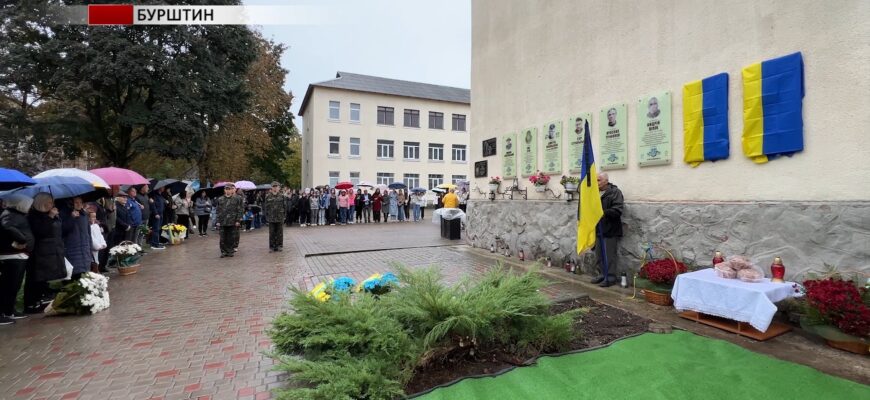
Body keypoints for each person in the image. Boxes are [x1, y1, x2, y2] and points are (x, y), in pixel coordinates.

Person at [24, 193, 65, 314]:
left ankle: (40, 301)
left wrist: (55, 217)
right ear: (42, 203)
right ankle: (31, 304)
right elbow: (41, 232)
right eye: (50, 202)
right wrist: (50, 217)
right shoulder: (33, 216)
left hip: (52, 251)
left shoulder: (49, 214)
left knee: (44, 279)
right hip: (39, 252)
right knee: (36, 278)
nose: (52, 205)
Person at [0, 194, 35, 324]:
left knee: (14, 285)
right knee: (9, 285)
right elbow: (7, 226)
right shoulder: (9, 214)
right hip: (12, 255)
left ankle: (9, 310)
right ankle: (3, 312)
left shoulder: (17, 214)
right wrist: (22, 239)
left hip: (19, 255)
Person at [590, 172, 625, 287]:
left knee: (609, 255)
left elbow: (618, 210)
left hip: (610, 229)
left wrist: (603, 213)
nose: (596, 182)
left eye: (599, 180)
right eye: (595, 180)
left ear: (606, 181)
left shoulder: (615, 192)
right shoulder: (594, 193)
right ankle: (601, 275)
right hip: (598, 228)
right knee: (599, 254)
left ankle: (610, 277)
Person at [60, 196, 92, 280]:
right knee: (74, 275)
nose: (79, 204)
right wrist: (71, 218)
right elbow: (63, 231)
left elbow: (88, 233)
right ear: (71, 204)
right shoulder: (64, 214)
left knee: (85, 277)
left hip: (85, 250)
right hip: (72, 250)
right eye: (76, 203)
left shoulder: (84, 215)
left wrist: (90, 247)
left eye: (80, 202)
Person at [215, 183, 243, 258]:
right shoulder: (220, 199)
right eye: (226, 189)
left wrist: (238, 220)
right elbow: (217, 211)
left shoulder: (236, 199)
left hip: (232, 221)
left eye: (229, 189)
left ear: (232, 190)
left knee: (231, 238)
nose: (228, 191)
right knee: (222, 238)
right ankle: (223, 252)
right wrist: (217, 221)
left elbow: (239, 210)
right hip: (222, 222)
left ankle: (230, 251)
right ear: (224, 190)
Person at [264, 182, 286, 252]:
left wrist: (284, 216)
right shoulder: (268, 196)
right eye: (274, 187)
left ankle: (279, 246)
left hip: (280, 217)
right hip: (271, 218)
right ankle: (272, 246)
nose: (275, 188)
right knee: (272, 233)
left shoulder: (282, 196)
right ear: (272, 188)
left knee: (280, 233)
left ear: (278, 188)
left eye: (276, 187)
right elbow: (266, 208)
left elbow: (285, 207)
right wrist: (266, 217)